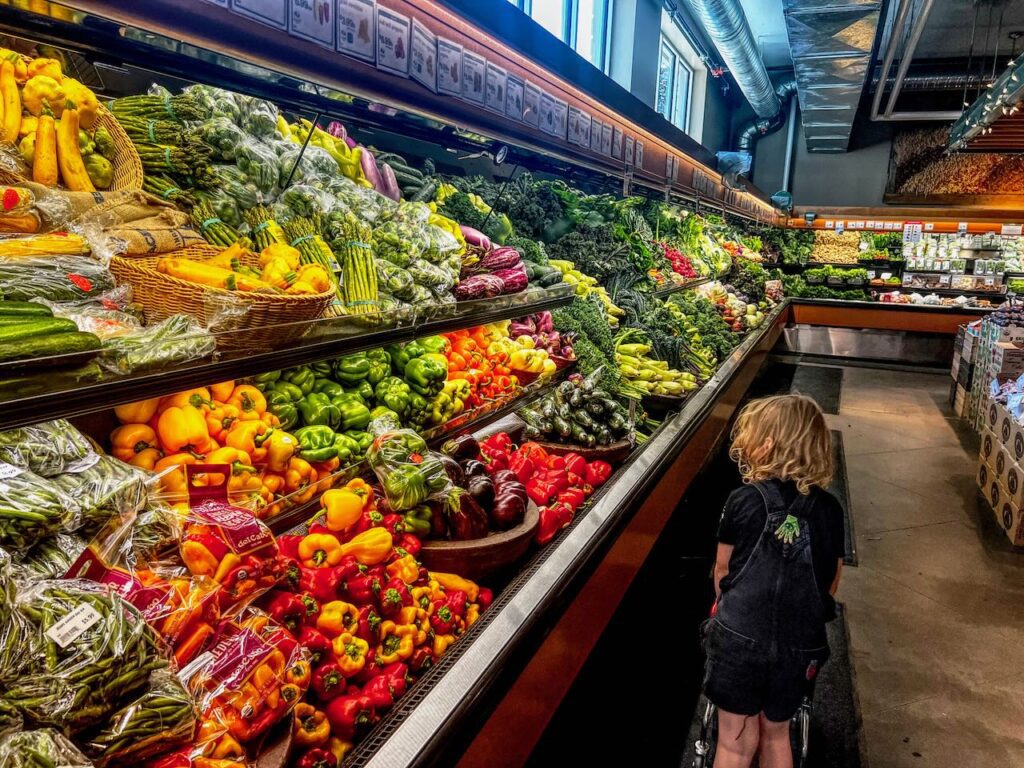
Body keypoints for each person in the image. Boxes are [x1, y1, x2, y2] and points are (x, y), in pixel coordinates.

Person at [703, 395, 845, 768]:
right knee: (777, 734)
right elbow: (831, 579)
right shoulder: (830, 510)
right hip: (799, 645)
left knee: (734, 745)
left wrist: (725, 608)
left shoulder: (742, 500)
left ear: (764, 444)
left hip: (740, 640)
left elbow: (723, 571)